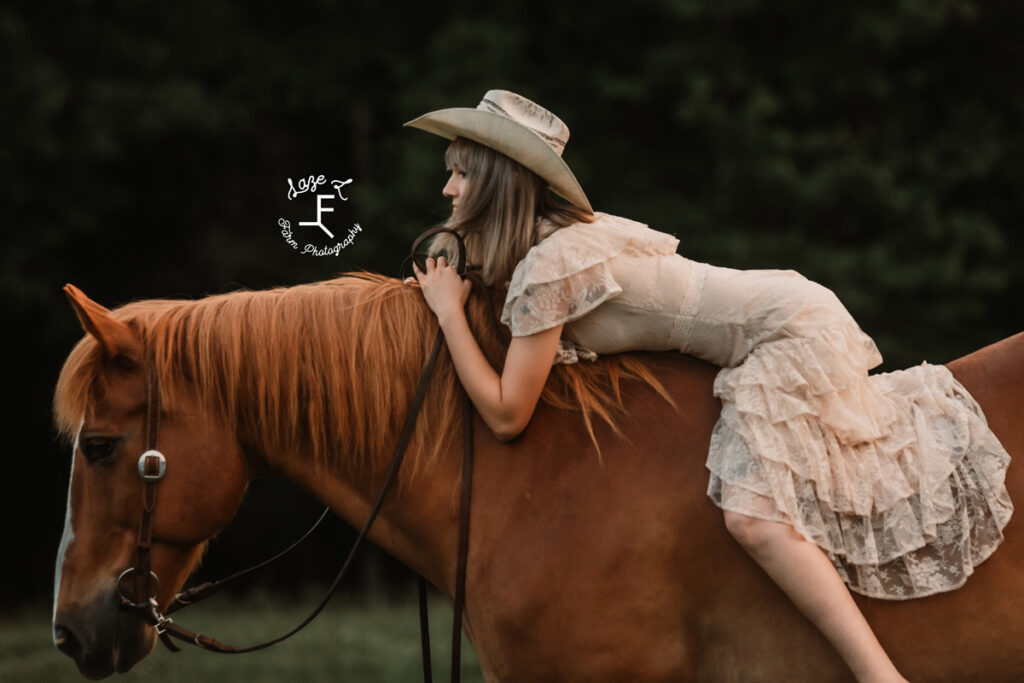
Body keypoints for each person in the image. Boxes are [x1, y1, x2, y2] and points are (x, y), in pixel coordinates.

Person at [404, 90, 1013, 682]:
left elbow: (508, 413)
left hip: (786, 333)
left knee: (755, 521)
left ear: (497, 182)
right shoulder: (552, 249)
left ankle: (881, 677)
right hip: (781, 313)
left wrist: (449, 313)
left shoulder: (550, 267)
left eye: (460, 173)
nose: (447, 189)